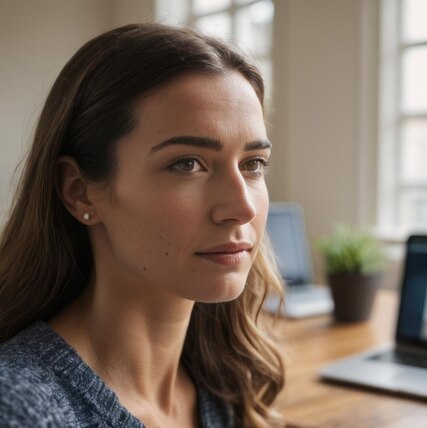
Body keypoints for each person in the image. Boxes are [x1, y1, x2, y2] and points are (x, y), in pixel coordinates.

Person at [0, 23, 285, 427]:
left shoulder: (227, 379)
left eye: (253, 164)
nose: (242, 207)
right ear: (80, 191)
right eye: (187, 164)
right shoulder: (21, 410)